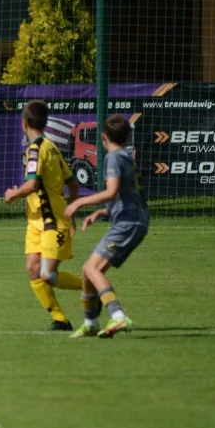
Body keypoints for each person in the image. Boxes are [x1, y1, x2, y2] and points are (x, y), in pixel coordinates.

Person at [64, 114, 150, 338]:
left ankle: (119, 316)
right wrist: (102, 211)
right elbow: (127, 196)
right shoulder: (126, 156)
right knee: (87, 271)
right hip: (132, 219)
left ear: (103, 137)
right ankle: (90, 322)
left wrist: (79, 202)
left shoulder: (113, 158)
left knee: (93, 269)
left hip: (128, 223)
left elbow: (111, 192)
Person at [4, 100, 84, 331]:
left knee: (48, 274)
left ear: (24, 123)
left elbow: (31, 185)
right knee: (33, 268)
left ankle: (91, 287)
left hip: (53, 222)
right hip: (35, 222)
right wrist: (74, 211)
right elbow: (73, 183)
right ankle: (60, 319)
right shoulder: (50, 146)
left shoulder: (37, 149)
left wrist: (12, 194)